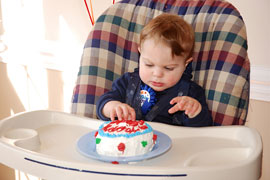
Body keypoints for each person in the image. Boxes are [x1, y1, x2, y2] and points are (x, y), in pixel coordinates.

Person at [96, 13, 213, 127]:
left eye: (168, 68)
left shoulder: (191, 93)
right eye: (149, 64)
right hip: (128, 143)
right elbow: (103, 103)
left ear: (186, 64)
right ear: (140, 53)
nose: (157, 74)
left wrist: (195, 112)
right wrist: (113, 107)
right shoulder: (127, 83)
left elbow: (204, 128)